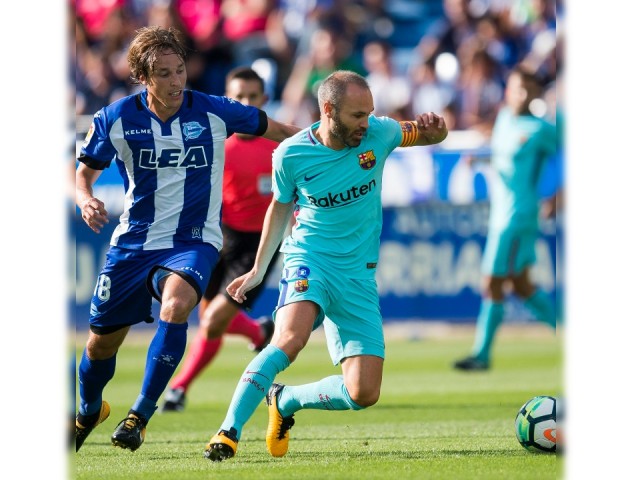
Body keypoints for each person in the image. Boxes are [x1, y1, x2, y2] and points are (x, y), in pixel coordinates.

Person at [73, 25, 301, 453]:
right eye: (163, 73)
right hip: (133, 244)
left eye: (179, 70)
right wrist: (85, 199)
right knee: (100, 344)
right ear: (143, 76)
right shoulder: (116, 118)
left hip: (193, 240)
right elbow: (83, 170)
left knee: (178, 305)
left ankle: (139, 414)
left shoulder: (214, 109)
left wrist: (332, 139)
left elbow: (280, 129)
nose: (176, 81)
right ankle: (88, 410)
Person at [203, 70, 448, 462]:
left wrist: (438, 129)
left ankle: (285, 401)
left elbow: (426, 135)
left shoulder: (380, 134)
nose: (365, 123)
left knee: (363, 393)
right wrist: (258, 269)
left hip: (358, 276)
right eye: (356, 115)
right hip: (308, 260)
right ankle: (228, 431)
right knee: (289, 340)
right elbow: (279, 208)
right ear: (328, 110)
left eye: (369, 113)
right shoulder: (290, 154)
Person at [160, 66, 282, 413]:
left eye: (252, 97)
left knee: (213, 320)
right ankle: (259, 334)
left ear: (264, 100)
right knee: (209, 318)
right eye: (237, 97)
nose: (244, 103)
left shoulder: (279, 145)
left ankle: (179, 388)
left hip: (258, 244)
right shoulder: (213, 143)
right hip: (216, 238)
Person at [452, 65, 558, 371]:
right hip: (501, 213)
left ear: (536, 93)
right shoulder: (504, 120)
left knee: (492, 281)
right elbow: (503, 155)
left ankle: (481, 355)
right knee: (521, 285)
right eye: (515, 88)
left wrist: (558, 196)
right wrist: (480, 157)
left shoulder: (541, 129)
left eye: (526, 89)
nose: (520, 94)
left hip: (518, 215)